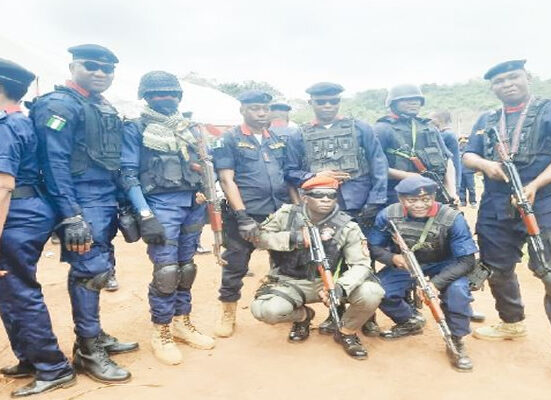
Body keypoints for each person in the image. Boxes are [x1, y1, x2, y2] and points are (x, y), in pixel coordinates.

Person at [30, 44, 137, 383]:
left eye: (107, 69)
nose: (100, 73)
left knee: (101, 270)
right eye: (91, 66)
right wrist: (71, 215)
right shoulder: (59, 104)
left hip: (103, 199)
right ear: (74, 66)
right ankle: (88, 351)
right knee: (89, 273)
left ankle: (95, 336)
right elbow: (54, 163)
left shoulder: (99, 104)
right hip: (81, 201)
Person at [121, 71, 214, 365]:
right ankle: (161, 331)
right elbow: (128, 174)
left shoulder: (189, 128)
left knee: (186, 268)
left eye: (173, 94)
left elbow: (204, 166)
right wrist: (145, 214)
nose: (168, 99)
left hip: (192, 204)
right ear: (146, 97)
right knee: (166, 272)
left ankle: (182, 322)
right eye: (160, 94)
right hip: (160, 206)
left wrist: (205, 194)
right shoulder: (136, 128)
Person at [284, 82, 388, 334]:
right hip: (321, 210)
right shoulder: (299, 134)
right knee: (327, 260)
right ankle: (335, 312)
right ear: (311, 103)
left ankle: (366, 316)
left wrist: (374, 202)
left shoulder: (360, 127)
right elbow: (289, 172)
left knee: (363, 261)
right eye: (321, 102)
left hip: (358, 206)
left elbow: (378, 164)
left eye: (333, 101)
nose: (328, 106)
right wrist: (315, 174)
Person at [0, 59, 76, 397]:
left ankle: (53, 367)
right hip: (24, 209)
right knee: (8, 291)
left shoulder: (5, 125)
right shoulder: (20, 120)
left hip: (16, 213)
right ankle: (30, 359)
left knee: (19, 291)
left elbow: (3, 186)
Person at [463, 59, 551, 339]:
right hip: (496, 205)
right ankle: (512, 322)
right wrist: (485, 165)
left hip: (544, 203)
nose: (507, 84)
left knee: (548, 271)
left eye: (513, 77)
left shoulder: (547, 110)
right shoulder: (486, 119)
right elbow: (467, 155)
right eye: (499, 81)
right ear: (492, 88)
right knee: (496, 267)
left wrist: (535, 184)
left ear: (528, 78)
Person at [251, 176, 385, 359]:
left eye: (331, 195)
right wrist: (293, 239)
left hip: (330, 283)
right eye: (318, 195)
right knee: (265, 310)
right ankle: (304, 317)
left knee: (372, 292)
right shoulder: (286, 215)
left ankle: (346, 331)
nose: (325, 199)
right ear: (305, 197)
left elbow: (361, 265)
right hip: (291, 282)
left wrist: (341, 287)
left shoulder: (348, 226)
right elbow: (258, 237)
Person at [369, 175, 477, 371]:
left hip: (446, 265)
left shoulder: (452, 218)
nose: (420, 204)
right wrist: (392, 258)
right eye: (412, 200)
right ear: (401, 199)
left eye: (426, 199)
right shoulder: (388, 214)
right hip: (407, 264)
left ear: (434, 197)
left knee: (458, 292)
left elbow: (467, 260)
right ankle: (409, 320)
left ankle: (456, 339)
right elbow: (374, 247)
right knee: (379, 289)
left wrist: (435, 284)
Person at [212, 90, 291, 337]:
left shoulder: (277, 139)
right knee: (235, 264)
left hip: (278, 212)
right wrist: (242, 216)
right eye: (255, 108)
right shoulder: (229, 139)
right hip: (245, 214)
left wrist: (295, 209)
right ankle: (228, 314)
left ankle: (284, 306)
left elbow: (288, 177)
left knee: (284, 263)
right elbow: (227, 180)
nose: (261, 113)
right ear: (243, 110)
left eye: (265, 108)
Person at [374, 84, 457, 206]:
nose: (414, 103)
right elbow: (374, 166)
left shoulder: (429, 127)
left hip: (434, 192)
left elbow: (447, 160)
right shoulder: (382, 129)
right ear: (393, 103)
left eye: (417, 99)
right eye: (406, 99)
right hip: (398, 195)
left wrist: (451, 190)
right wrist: (410, 176)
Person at [430, 110, 461, 198]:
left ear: (440, 119)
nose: (429, 120)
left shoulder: (447, 134)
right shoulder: (445, 133)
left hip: (450, 170)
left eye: (432, 117)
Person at [458, 135, 477, 207]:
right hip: (460, 172)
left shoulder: (470, 150)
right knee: (461, 188)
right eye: (461, 139)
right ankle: (463, 201)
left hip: (469, 171)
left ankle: (473, 202)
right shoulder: (457, 150)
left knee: (471, 187)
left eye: (465, 139)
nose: (463, 141)